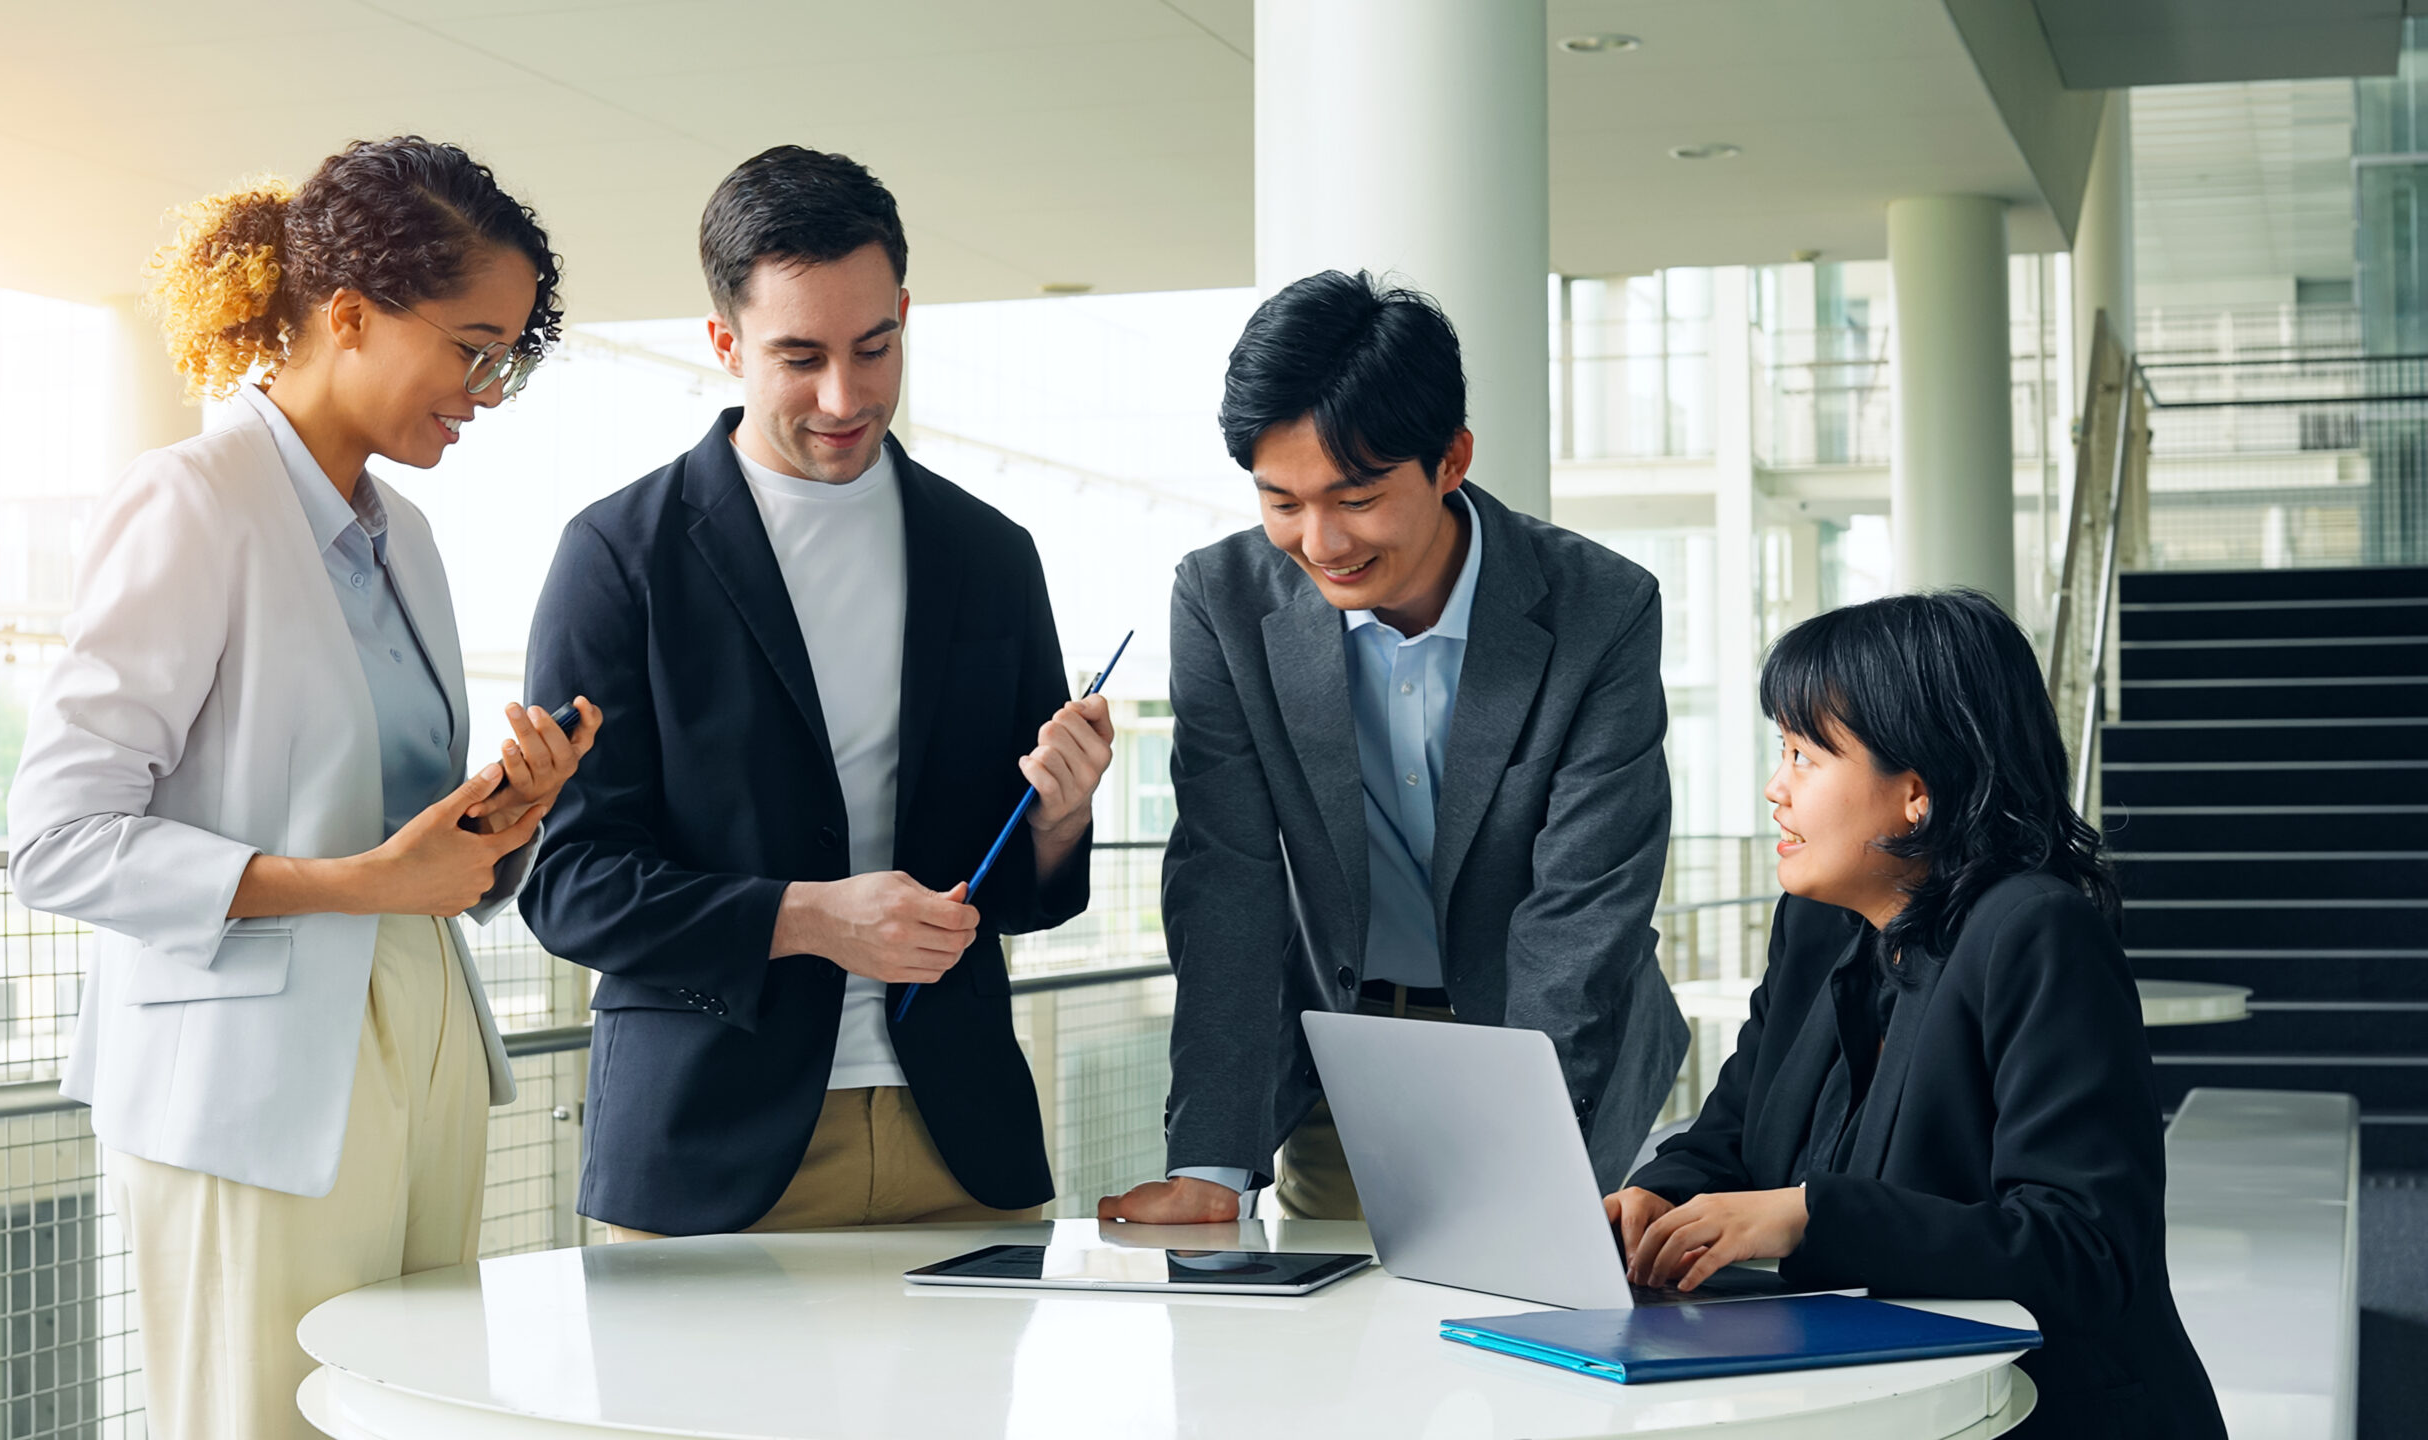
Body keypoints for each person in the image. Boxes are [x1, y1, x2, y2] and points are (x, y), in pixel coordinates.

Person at [7, 137, 600, 1440]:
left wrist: (505, 813)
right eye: (471, 348)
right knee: (261, 1420)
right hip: (254, 1080)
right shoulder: (192, 504)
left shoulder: (412, 541)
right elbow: (57, 839)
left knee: (418, 1415)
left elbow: (389, 830)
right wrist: (361, 883)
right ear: (347, 317)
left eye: (511, 359)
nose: (489, 391)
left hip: (420, 1042)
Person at [520, 145, 1112, 1239]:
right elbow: (571, 886)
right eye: (799, 357)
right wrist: (806, 920)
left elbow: (1028, 897)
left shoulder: (990, 554)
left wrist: (1060, 817)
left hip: (962, 1148)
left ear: (902, 315)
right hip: (710, 1154)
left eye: (873, 347)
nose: (845, 397)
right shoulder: (619, 557)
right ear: (723, 342)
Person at [1100, 270, 1688, 1225]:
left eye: (1357, 498)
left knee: (1533, 1333)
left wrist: (1522, 1158)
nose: (1320, 540)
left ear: (1451, 460)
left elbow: (1578, 915)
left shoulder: (1602, 611)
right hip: (1346, 1052)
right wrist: (1213, 1160)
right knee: (1339, 1352)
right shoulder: (1224, 603)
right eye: (1281, 501)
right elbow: (1229, 881)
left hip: (1552, 1055)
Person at [1610, 590, 2225, 1439]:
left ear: (1915, 792)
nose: (1773, 787)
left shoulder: (2036, 931)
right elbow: (1735, 1131)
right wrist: (1654, 1196)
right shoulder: (1817, 922)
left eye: (1803, 755)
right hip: (1862, 1394)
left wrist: (1806, 1215)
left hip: (2036, 1408)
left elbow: (2084, 1246)